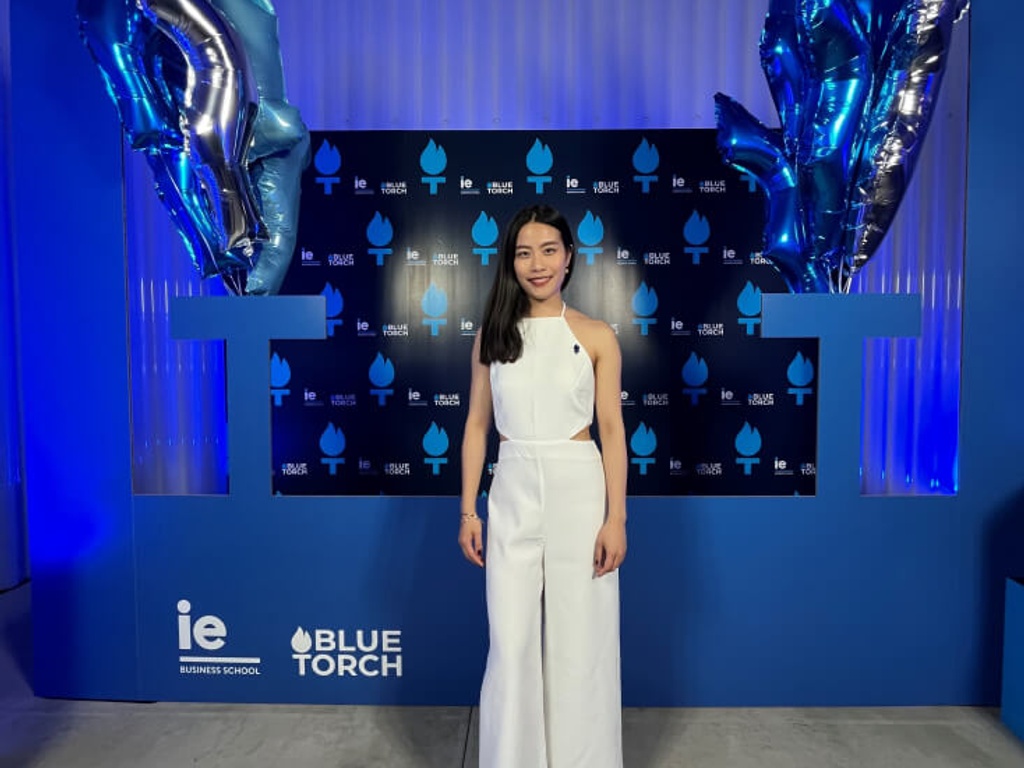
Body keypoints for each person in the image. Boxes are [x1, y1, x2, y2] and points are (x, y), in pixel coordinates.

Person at [459, 204, 627, 767]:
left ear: (569, 257)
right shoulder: (492, 336)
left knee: (582, 645)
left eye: (548, 250)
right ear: (510, 261)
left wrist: (616, 519)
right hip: (511, 492)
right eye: (524, 252)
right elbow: (477, 426)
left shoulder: (597, 335)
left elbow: (610, 430)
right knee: (511, 645)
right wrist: (469, 512)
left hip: (580, 490)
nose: (537, 264)